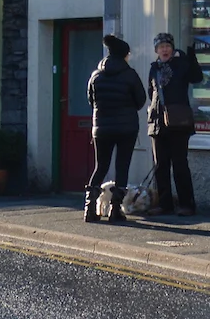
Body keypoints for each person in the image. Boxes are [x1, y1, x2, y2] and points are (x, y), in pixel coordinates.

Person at [83, 33, 146, 225]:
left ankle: (89, 208)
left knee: (100, 166)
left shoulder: (96, 75)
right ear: (124, 55)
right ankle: (115, 209)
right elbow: (141, 100)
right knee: (122, 166)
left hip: (101, 127)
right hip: (126, 127)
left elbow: (91, 101)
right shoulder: (130, 74)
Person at [144, 33, 203, 216]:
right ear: (156, 50)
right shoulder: (154, 68)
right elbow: (150, 93)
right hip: (158, 122)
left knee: (179, 164)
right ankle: (164, 203)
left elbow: (196, 77)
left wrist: (190, 56)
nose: (164, 49)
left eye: (167, 46)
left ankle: (187, 204)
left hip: (178, 122)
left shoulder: (181, 64)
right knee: (160, 165)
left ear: (172, 48)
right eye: (160, 47)